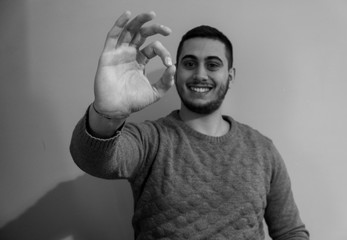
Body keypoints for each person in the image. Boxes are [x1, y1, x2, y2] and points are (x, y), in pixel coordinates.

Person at [70, 11, 309, 240]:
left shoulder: (262, 150)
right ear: (176, 71)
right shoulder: (150, 139)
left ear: (230, 76)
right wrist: (108, 113)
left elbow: (290, 232)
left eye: (213, 65)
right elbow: (93, 160)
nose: (200, 74)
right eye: (190, 63)